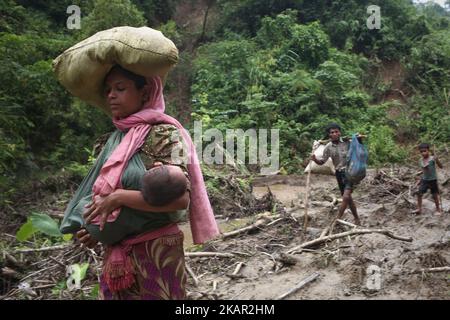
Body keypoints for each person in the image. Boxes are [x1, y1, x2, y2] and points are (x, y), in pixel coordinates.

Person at [64, 64, 219, 300]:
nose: (111, 95)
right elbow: (101, 196)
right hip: (116, 255)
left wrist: (118, 198)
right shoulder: (113, 140)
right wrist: (97, 230)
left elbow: (180, 200)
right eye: (108, 90)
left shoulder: (165, 135)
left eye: (120, 88)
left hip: (157, 251)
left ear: (145, 92)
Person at [311, 123, 361, 226]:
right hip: (338, 174)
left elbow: (359, 146)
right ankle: (357, 219)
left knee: (346, 196)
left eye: (336, 132)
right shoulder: (328, 147)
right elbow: (322, 162)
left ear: (340, 133)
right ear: (329, 135)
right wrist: (314, 159)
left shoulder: (347, 142)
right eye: (332, 132)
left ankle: (337, 219)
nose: (334, 134)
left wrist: (358, 138)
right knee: (348, 199)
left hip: (350, 172)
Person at [413, 143, 443, 215]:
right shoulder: (420, 160)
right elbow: (423, 170)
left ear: (428, 150)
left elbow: (441, 166)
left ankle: (438, 210)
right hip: (425, 180)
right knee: (419, 193)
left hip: (433, 180)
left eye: (425, 151)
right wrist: (419, 179)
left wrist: (437, 160)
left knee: (434, 195)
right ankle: (419, 209)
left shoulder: (432, 158)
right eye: (421, 152)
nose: (423, 153)